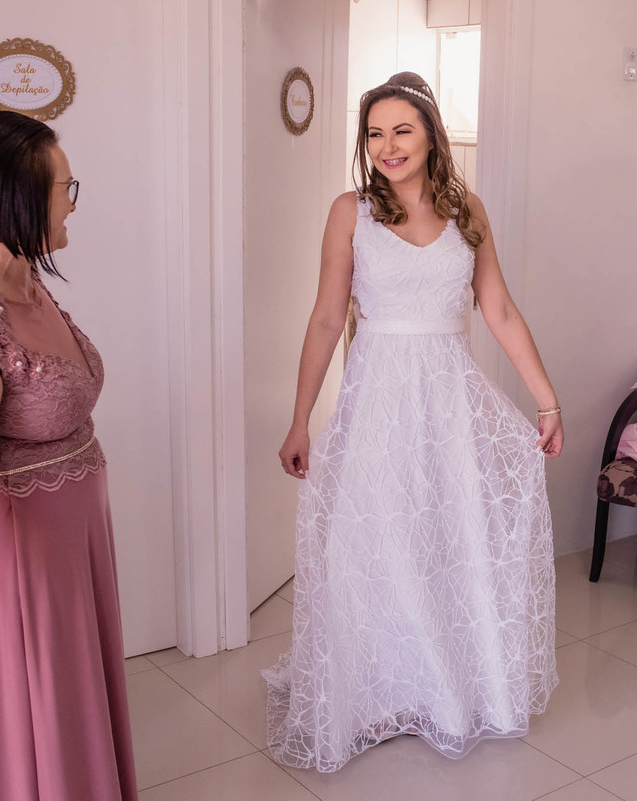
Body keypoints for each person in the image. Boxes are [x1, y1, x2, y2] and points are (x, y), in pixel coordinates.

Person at [264, 72, 563, 772]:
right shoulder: (350, 212)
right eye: (374, 133)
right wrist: (299, 419)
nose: (387, 145)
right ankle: (373, 692)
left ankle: (442, 686)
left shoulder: (469, 210)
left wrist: (546, 400)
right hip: (378, 399)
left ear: (431, 132)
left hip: (449, 400)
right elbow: (326, 317)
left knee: (444, 531)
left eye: (402, 129)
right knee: (375, 536)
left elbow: (500, 311)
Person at [0, 110, 137, 800]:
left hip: (73, 549)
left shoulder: (26, 280)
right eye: (65, 187)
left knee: (75, 709)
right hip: (20, 564)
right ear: (15, 195)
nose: (72, 203)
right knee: (32, 727)